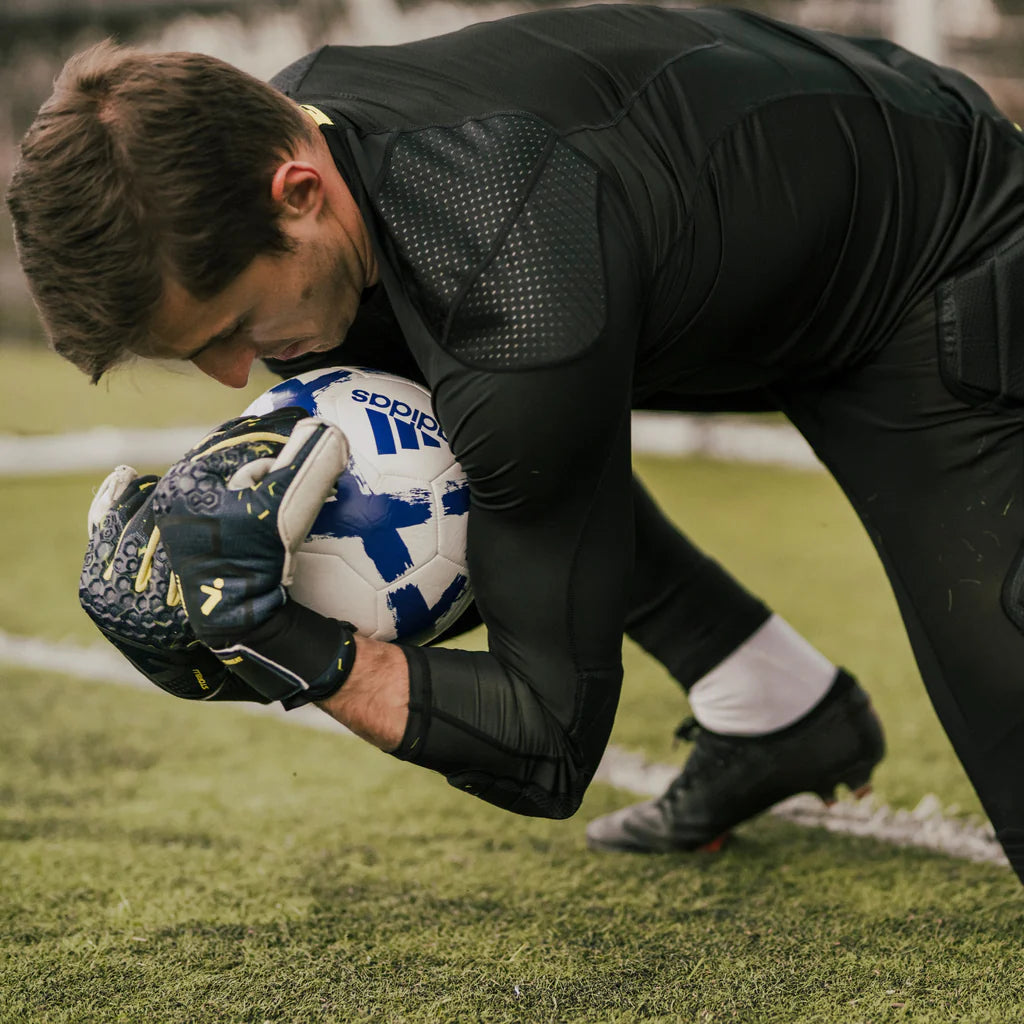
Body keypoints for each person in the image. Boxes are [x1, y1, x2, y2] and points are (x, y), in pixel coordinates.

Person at [10, 3, 1024, 880]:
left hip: (929, 244)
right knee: (519, 456)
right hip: (708, 265)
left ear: (299, 192)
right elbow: (505, 501)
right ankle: (772, 703)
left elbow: (546, 742)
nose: (235, 378)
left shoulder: (507, 279)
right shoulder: (271, 152)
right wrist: (213, 618)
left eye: (231, 328)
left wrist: (279, 643)